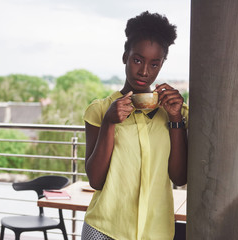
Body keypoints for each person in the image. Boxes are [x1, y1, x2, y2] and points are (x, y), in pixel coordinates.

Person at [81, 11, 188, 240]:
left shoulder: (172, 112)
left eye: (154, 64)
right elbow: (96, 180)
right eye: (137, 59)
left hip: (156, 232)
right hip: (104, 229)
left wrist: (176, 119)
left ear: (161, 65)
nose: (144, 71)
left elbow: (179, 178)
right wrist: (110, 122)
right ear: (125, 56)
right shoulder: (100, 110)